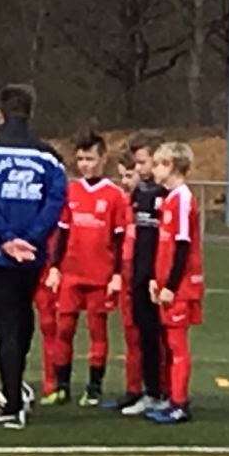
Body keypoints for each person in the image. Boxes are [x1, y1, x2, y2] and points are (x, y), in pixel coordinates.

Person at [0, 84, 67, 429]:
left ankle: (11, 401)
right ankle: (16, 384)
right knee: (23, 318)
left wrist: (7, 239)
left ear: (0, 113)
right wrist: (33, 238)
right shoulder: (48, 156)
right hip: (32, 254)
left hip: (0, 253)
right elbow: (55, 202)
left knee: (6, 325)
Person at [42, 130, 128, 407]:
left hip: (100, 275)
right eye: (81, 159)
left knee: (97, 331)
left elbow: (119, 239)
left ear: (103, 159)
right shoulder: (71, 191)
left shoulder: (115, 196)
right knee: (64, 329)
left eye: (90, 159)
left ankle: (93, 388)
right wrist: (55, 267)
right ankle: (62, 386)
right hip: (71, 273)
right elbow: (63, 232)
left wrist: (117, 275)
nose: (85, 165)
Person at [147, 142, 204, 424]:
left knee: (177, 344)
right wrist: (156, 280)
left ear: (172, 166)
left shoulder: (182, 198)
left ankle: (180, 403)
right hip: (167, 284)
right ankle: (172, 398)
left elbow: (182, 245)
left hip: (181, 287)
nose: (154, 170)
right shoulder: (170, 199)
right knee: (169, 344)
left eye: (159, 164)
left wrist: (170, 285)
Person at [122, 130, 169, 416]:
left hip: (158, 274)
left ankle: (166, 392)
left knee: (161, 337)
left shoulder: (167, 194)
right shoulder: (140, 192)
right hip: (140, 272)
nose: (138, 168)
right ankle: (150, 391)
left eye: (142, 162)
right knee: (145, 334)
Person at [104, 150, 146, 410]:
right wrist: (117, 273)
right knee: (130, 335)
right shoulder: (124, 202)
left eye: (129, 175)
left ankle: (154, 390)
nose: (125, 182)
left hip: (142, 275)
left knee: (146, 336)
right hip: (127, 275)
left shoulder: (149, 204)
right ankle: (133, 389)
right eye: (122, 176)